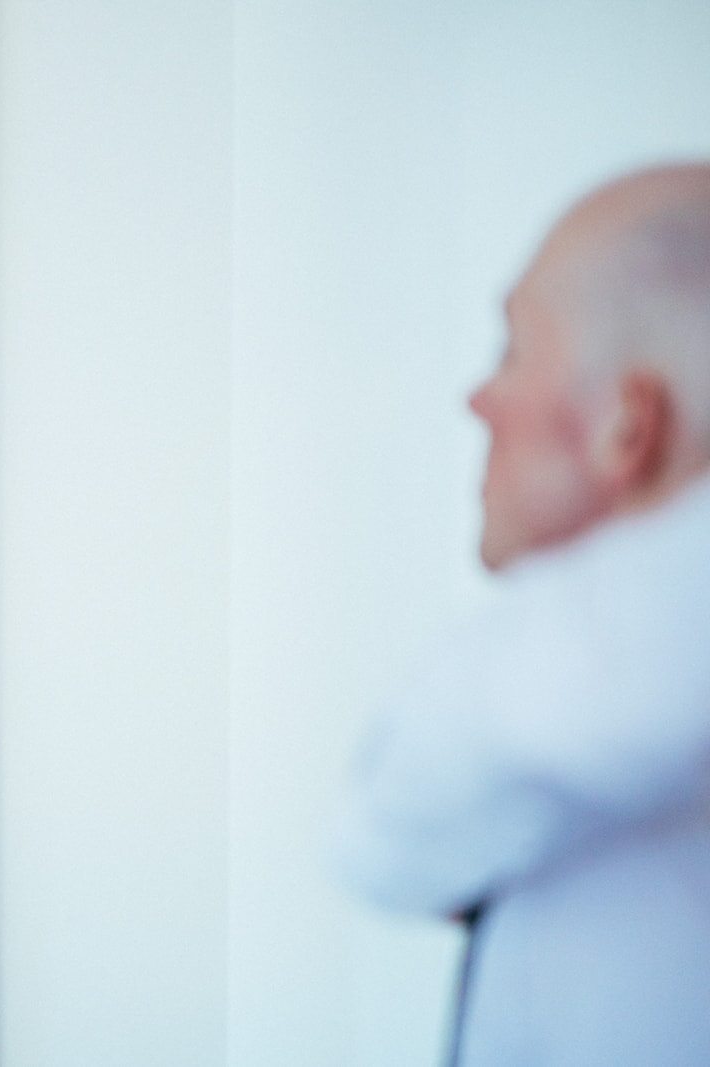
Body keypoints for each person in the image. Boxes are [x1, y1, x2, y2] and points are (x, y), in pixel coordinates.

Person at [334, 162, 710, 1065]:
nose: (478, 399)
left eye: (511, 346)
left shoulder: (606, 674)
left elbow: (381, 836)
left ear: (629, 424)